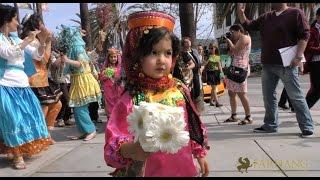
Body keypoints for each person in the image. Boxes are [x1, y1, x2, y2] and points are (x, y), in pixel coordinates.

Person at [104, 11, 209, 177]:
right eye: (153, 52)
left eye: (167, 53)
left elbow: (192, 125)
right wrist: (131, 150)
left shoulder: (179, 89)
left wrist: (199, 152)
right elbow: (113, 142)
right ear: (136, 57)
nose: (162, 60)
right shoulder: (132, 98)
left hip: (182, 168)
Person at [238, 3, 314, 136]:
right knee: (268, 97)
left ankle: (307, 126)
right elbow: (248, 25)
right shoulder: (266, 17)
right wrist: (240, 12)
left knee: (296, 96)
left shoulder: (295, 13)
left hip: (287, 64)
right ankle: (270, 125)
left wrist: (298, 57)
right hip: (268, 64)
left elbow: (304, 36)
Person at [0, 4, 52, 169]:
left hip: (22, 83)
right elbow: (8, 53)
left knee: (28, 116)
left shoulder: (16, 39)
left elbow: (37, 55)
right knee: (13, 120)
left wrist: (42, 41)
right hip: (5, 83)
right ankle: (17, 156)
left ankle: (21, 148)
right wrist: (28, 39)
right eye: (15, 19)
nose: (18, 23)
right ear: (6, 21)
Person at [20, 14, 62, 136]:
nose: (44, 26)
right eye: (41, 23)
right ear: (36, 26)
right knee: (44, 106)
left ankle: (45, 133)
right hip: (35, 79)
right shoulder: (31, 40)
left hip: (41, 78)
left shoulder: (36, 40)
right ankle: (40, 135)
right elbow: (44, 59)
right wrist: (47, 42)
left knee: (55, 104)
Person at [57, 25, 102, 141]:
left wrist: (66, 60)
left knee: (80, 108)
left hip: (83, 80)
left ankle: (90, 130)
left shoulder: (78, 48)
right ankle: (83, 131)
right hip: (77, 80)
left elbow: (81, 63)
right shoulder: (73, 48)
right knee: (77, 107)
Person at [224, 24, 253, 125]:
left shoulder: (245, 37)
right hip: (234, 67)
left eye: (233, 32)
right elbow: (231, 53)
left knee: (242, 94)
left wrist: (230, 41)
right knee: (231, 92)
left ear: (239, 30)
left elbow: (236, 50)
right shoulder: (237, 40)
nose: (232, 34)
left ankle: (248, 116)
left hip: (241, 68)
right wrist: (229, 44)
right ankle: (234, 115)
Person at [99, 47, 124, 118]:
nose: (113, 59)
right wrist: (108, 74)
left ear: (117, 57)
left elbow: (122, 77)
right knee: (110, 104)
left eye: (115, 57)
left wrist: (117, 75)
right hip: (109, 89)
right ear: (108, 58)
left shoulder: (120, 67)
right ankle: (110, 120)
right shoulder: (105, 67)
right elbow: (101, 78)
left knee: (118, 104)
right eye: (111, 57)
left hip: (119, 89)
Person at [304, 7, 320, 110]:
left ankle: (303, 110)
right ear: (318, 17)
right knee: (316, 89)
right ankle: (303, 110)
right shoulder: (312, 30)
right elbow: (308, 48)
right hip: (316, 63)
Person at [206, 43, 223, 107]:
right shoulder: (208, 56)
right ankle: (217, 102)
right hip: (210, 73)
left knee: (214, 88)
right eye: (209, 48)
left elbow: (219, 66)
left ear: (215, 48)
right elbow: (205, 64)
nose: (210, 49)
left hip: (216, 73)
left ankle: (211, 101)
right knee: (214, 88)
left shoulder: (217, 57)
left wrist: (222, 75)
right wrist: (208, 59)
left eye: (212, 48)